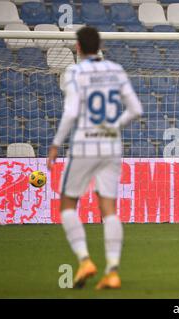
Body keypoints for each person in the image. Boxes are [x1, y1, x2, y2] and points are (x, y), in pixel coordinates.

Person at [47, 27, 142, 289]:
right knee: (109, 209)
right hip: (111, 145)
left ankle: (85, 260)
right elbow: (135, 109)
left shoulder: (75, 72)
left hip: (85, 144)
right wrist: (113, 126)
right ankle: (112, 270)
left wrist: (56, 144)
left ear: (78, 47)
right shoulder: (116, 70)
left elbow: (70, 113)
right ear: (100, 46)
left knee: (67, 204)